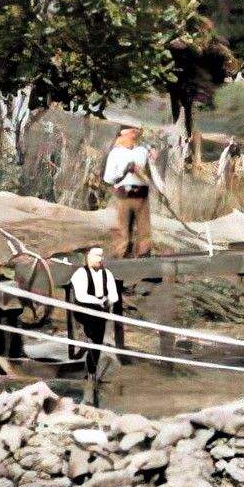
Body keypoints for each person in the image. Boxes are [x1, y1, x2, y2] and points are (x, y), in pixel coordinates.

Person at [102, 126, 153, 258]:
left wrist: (152, 151)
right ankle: (122, 259)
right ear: (123, 134)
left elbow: (151, 168)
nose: (133, 134)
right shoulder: (115, 153)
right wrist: (125, 171)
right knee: (123, 230)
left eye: (134, 132)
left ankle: (145, 261)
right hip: (124, 195)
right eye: (130, 132)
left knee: (144, 230)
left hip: (142, 195)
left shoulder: (142, 151)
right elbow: (108, 178)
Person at [68, 245, 120, 374]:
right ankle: (87, 345)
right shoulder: (80, 273)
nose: (99, 259)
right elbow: (81, 296)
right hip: (84, 309)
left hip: (101, 309)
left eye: (101, 256)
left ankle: (92, 367)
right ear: (88, 257)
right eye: (96, 256)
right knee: (93, 328)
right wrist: (98, 301)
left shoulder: (107, 273)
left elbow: (114, 294)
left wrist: (108, 300)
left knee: (98, 336)